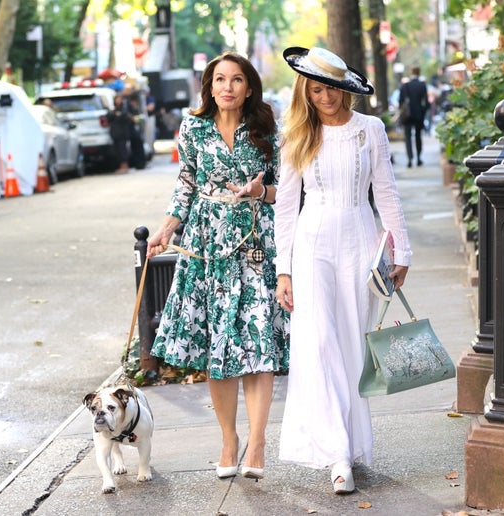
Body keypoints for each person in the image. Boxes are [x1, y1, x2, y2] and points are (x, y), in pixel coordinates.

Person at [274, 46, 412, 494]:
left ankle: (350, 446)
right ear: (305, 92)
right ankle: (336, 454)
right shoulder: (297, 134)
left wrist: (401, 251)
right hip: (311, 245)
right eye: (316, 89)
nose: (325, 97)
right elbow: (285, 207)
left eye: (332, 88)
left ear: (345, 89)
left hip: (359, 241)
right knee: (318, 343)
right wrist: (283, 270)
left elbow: (386, 192)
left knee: (352, 343)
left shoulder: (370, 130)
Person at [146, 52, 289, 481]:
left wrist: (260, 192)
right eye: (220, 79)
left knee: (259, 341)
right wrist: (166, 228)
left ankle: (258, 442)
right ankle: (229, 439)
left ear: (249, 87)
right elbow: (187, 182)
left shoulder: (268, 129)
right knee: (218, 345)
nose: (227, 87)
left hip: (257, 243)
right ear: (209, 86)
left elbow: (287, 189)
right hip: (207, 243)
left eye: (236, 79)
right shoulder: (192, 128)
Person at [399, 66, 428, 168]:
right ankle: (419, 158)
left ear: (411, 73)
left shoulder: (405, 85)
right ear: (419, 73)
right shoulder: (422, 85)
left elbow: (400, 101)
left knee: (407, 137)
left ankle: (410, 158)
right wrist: (423, 113)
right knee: (418, 136)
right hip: (418, 115)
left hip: (407, 115)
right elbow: (426, 102)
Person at [107, 93, 131, 174]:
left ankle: (125, 166)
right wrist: (115, 114)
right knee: (117, 151)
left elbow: (124, 116)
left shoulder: (124, 108)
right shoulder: (113, 109)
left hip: (122, 133)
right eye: (117, 99)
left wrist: (118, 115)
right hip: (115, 133)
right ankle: (121, 166)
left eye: (120, 99)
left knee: (123, 150)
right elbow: (109, 117)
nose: (118, 101)